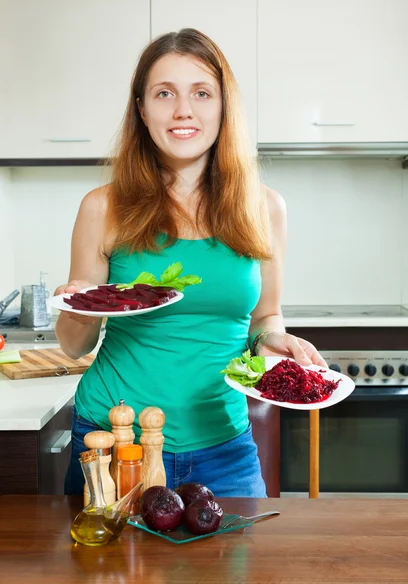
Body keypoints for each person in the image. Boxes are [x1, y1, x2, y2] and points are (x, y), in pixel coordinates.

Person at [55, 28, 326, 497]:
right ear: (142, 109)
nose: (184, 110)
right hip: (116, 444)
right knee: (106, 571)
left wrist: (272, 341)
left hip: (224, 447)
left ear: (224, 106)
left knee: (237, 571)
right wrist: (81, 303)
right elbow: (74, 346)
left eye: (202, 93)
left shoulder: (265, 209)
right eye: (165, 94)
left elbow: (264, 317)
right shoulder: (102, 207)